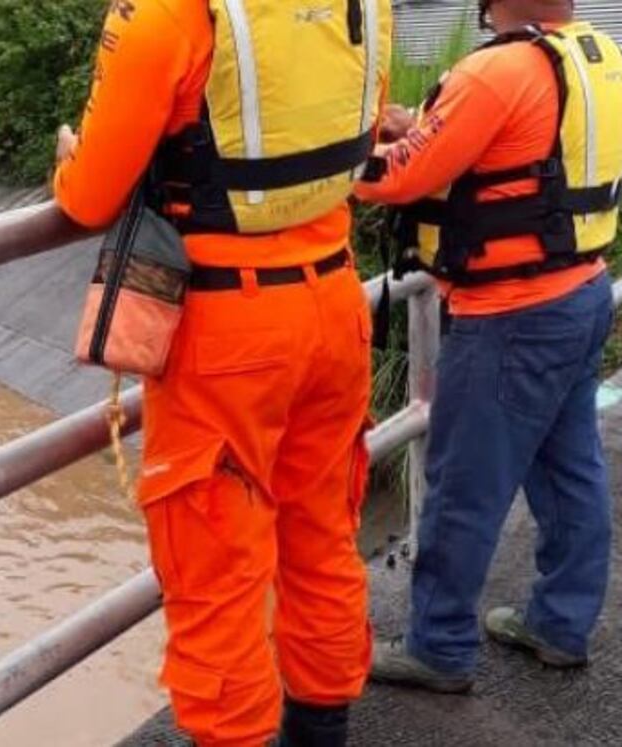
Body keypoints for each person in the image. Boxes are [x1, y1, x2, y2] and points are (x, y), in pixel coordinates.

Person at [53, 0, 392, 743]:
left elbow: (88, 195)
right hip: (335, 303)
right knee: (322, 542)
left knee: (217, 576)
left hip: (226, 334)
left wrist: (70, 153)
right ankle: (322, 732)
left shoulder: (166, 14)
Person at [355, 0, 622, 692]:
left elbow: (399, 179)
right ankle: (560, 624)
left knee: (463, 487)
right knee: (571, 469)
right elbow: (521, 150)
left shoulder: (497, 70)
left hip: (511, 315)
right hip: (582, 290)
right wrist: (420, 130)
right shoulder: (591, 53)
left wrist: (318, 163)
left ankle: (438, 646)